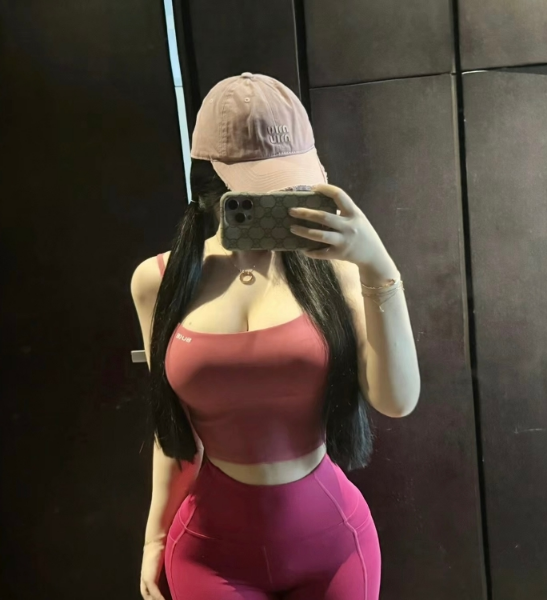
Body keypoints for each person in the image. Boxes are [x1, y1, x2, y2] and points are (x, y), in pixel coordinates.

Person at [131, 72, 420, 600]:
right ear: (214, 181)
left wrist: (378, 266)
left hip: (334, 548)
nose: (283, 199)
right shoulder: (159, 280)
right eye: (263, 189)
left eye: (290, 183)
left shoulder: (337, 271)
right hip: (210, 554)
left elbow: (397, 401)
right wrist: (154, 536)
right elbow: (173, 430)